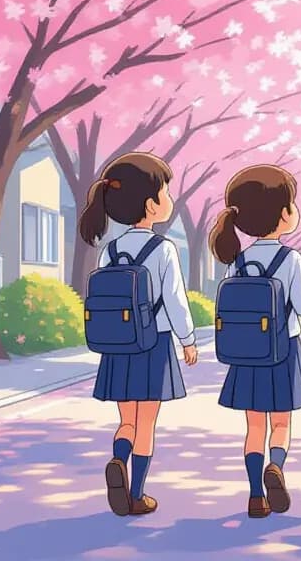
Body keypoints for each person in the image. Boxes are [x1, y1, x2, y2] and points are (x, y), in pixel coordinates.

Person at [77, 152, 199, 517]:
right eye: (165, 191)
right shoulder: (163, 249)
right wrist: (188, 340)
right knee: (147, 422)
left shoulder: (108, 252)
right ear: (150, 205)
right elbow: (175, 301)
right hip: (153, 344)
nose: (170, 199)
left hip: (117, 348)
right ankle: (137, 494)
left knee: (127, 420)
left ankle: (118, 459)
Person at [210, 164, 301, 519]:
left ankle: (256, 494)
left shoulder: (237, 261)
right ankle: (277, 466)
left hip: (245, 355)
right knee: (281, 424)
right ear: (285, 214)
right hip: (282, 352)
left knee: (253, 426)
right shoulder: (290, 259)